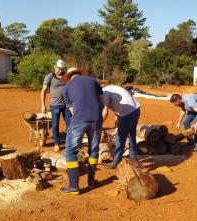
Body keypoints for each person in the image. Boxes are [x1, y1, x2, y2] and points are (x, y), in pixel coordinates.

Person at [60, 67, 104, 195]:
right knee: (94, 150)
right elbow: (102, 103)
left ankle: (74, 186)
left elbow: (72, 110)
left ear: (69, 76)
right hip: (96, 119)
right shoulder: (94, 81)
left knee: (71, 151)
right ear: (80, 73)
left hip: (79, 120)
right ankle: (91, 182)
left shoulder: (67, 87)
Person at [102, 85, 141, 169]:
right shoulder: (111, 90)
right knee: (131, 134)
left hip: (128, 113)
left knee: (120, 137)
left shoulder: (104, 93)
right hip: (136, 110)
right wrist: (116, 128)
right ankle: (133, 157)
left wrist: (97, 126)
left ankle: (117, 160)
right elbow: (117, 112)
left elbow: (105, 113)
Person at [41, 60, 71, 152]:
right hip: (55, 106)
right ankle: (57, 143)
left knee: (70, 124)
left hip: (67, 105)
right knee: (55, 125)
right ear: (55, 67)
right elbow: (44, 90)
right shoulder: (50, 76)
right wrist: (43, 105)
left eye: (62, 69)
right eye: (58, 69)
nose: (60, 71)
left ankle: (70, 143)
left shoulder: (67, 76)